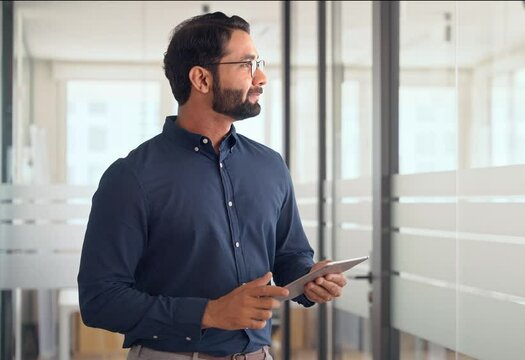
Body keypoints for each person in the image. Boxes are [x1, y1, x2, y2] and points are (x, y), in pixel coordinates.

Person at [77, 11, 347, 360]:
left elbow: (289, 256)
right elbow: (100, 300)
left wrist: (310, 280)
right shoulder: (131, 177)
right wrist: (209, 313)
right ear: (201, 79)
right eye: (246, 65)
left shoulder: (270, 166)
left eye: (258, 63)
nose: (261, 78)